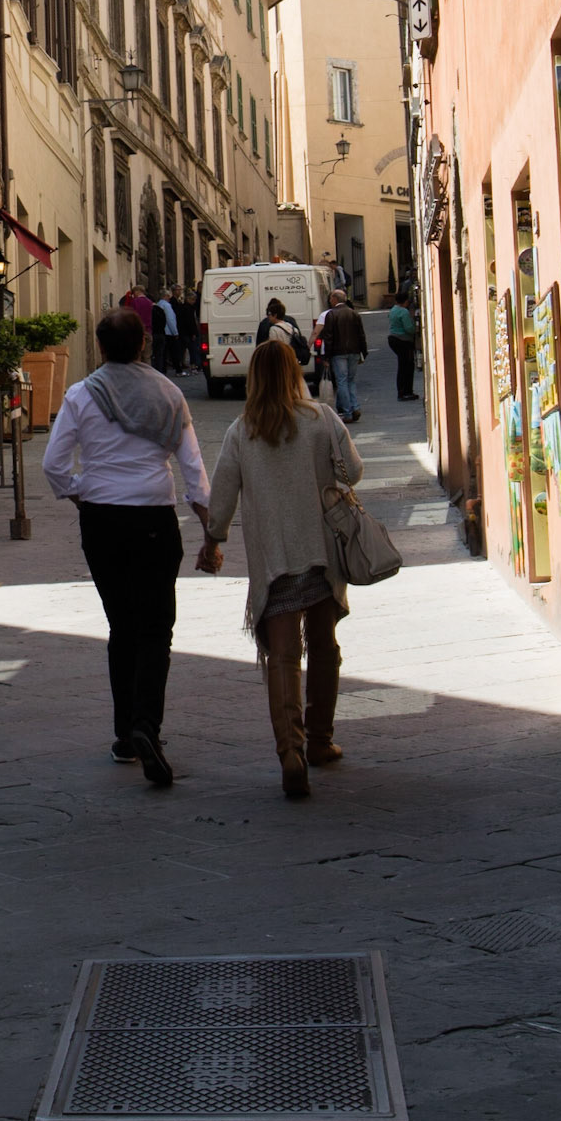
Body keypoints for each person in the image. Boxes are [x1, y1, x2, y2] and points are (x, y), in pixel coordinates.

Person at [43, 305, 211, 789]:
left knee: (122, 625)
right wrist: (210, 530)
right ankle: (146, 726)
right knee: (156, 628)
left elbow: (54, 465)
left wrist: (82, 492)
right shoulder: (169, 393)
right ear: (143, 343)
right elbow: (193, 468)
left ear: (99, 347)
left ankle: (124, 735)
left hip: (102, 519)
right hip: (154, 516)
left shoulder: (81, 394)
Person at [197, 340, 364, 798]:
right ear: (295, 372)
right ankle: (321, 740)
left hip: (274, 559)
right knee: (324, 647)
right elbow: (353, 471)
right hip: (321, 551)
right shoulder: (322, 419)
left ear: (253, 378)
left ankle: (291, 752)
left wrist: (213, 541)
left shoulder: (241, 431)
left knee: (284, 657)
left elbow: (223, 495)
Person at [321, 290, 368, 423]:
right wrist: (363, 352)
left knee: (341, 381)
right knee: (351, 380)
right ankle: (355, 407)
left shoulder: (331, 315)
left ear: (335, 299)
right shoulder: (354, 313)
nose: (330, 300)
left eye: (331, 298)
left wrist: (326, 357)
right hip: (354, 351)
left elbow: (328, 337)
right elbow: (361, 334)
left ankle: (348, 412)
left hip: (338, 352)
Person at [388, 292, 419, 401]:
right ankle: (406, 391)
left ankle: (401, 391)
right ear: (405, 301)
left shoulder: (393, 310)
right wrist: (416, 329)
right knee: (407, 366)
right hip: (403, 340)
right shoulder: (404, 312)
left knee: (402, 365)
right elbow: (409, 328)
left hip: (393, 338)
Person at [175, 286, 200, 373]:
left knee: (182, 350)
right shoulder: (189, 309)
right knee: (192, 350)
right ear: (188, 299)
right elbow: (191, 322)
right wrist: (193, 333)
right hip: (188, 333)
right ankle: (193, 366)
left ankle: (179, 366)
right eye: (193, 300)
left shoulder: (181, 307)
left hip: (181, 332)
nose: (194, 301)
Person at [156, 289, 181, 374]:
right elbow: (170, 319)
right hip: (169, 332)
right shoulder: (167, 305)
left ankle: (162, 370)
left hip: (161, 331)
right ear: (166, 296)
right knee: (174, 351)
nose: (169, 298)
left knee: (162, 353)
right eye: (168, 296)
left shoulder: (158, 304)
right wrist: (175, 332)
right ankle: (178, 370)